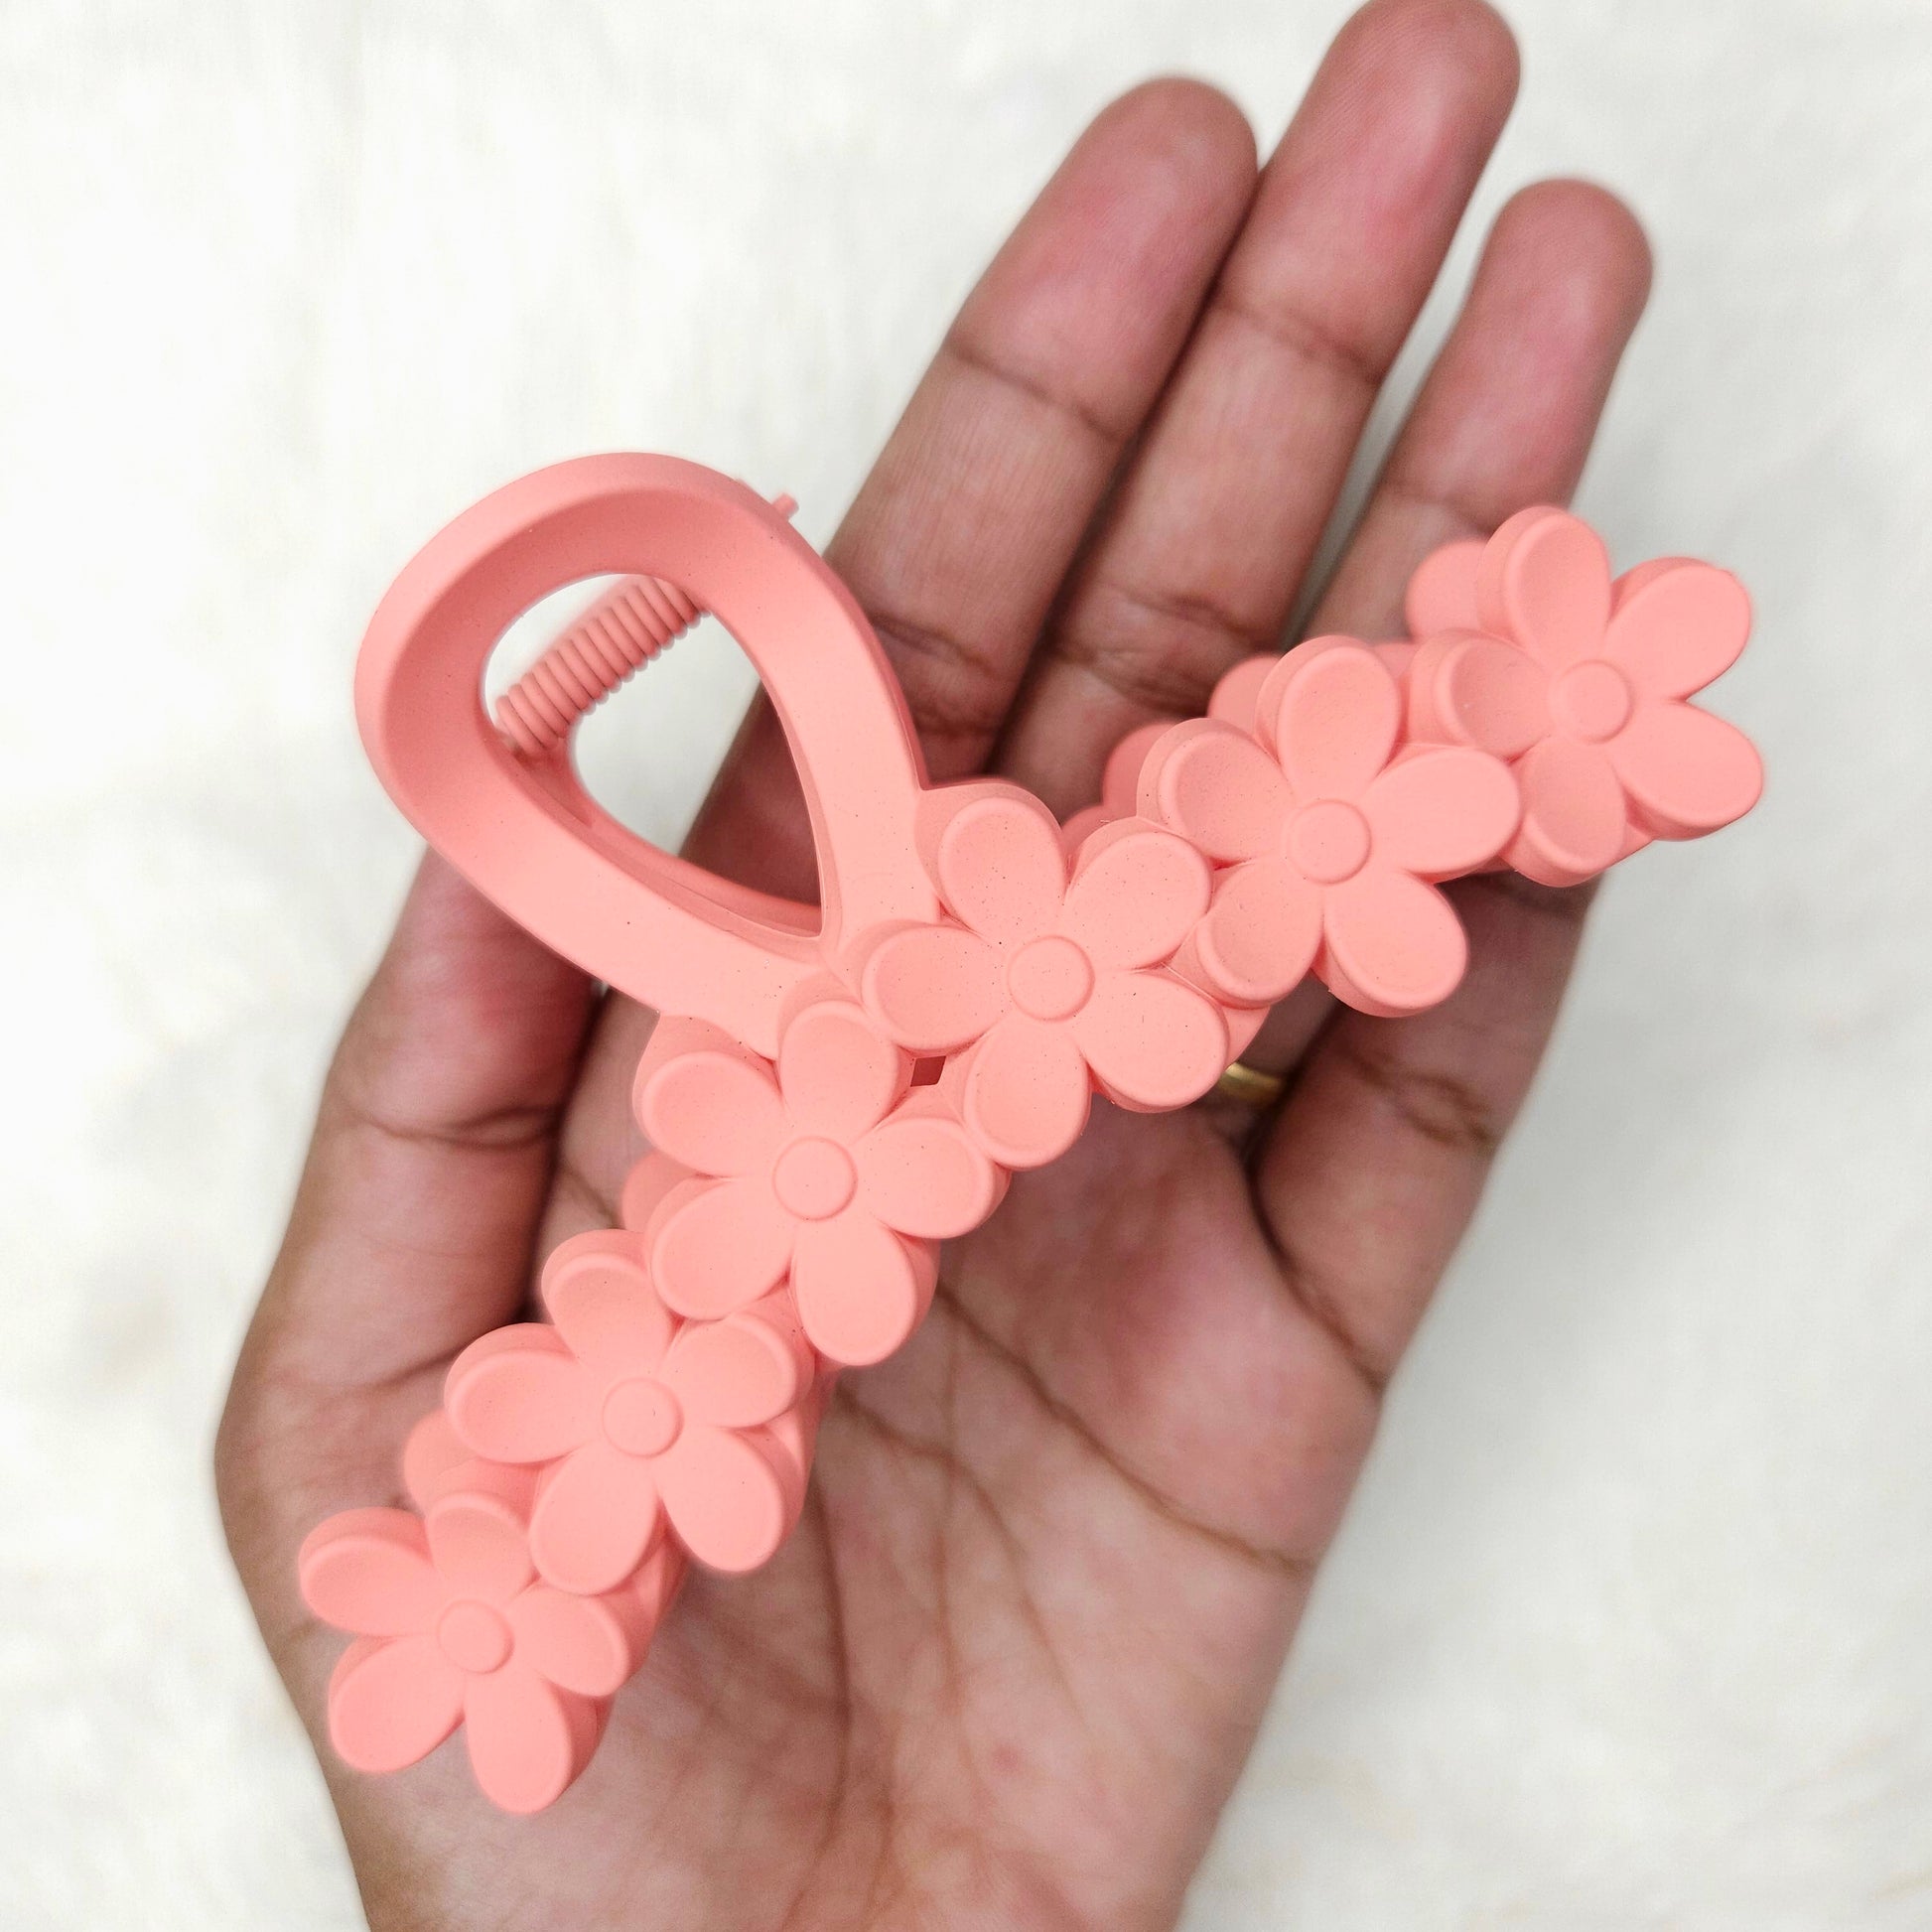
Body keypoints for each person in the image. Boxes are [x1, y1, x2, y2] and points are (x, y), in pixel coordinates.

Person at [215, 0, 1654, 1921]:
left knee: (1301, 830)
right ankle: (1523, 718)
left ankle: (1537, 710)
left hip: (1070, 941)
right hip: (862, 1099)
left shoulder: (1142, 892)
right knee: (672, 1366)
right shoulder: (719, 1257)